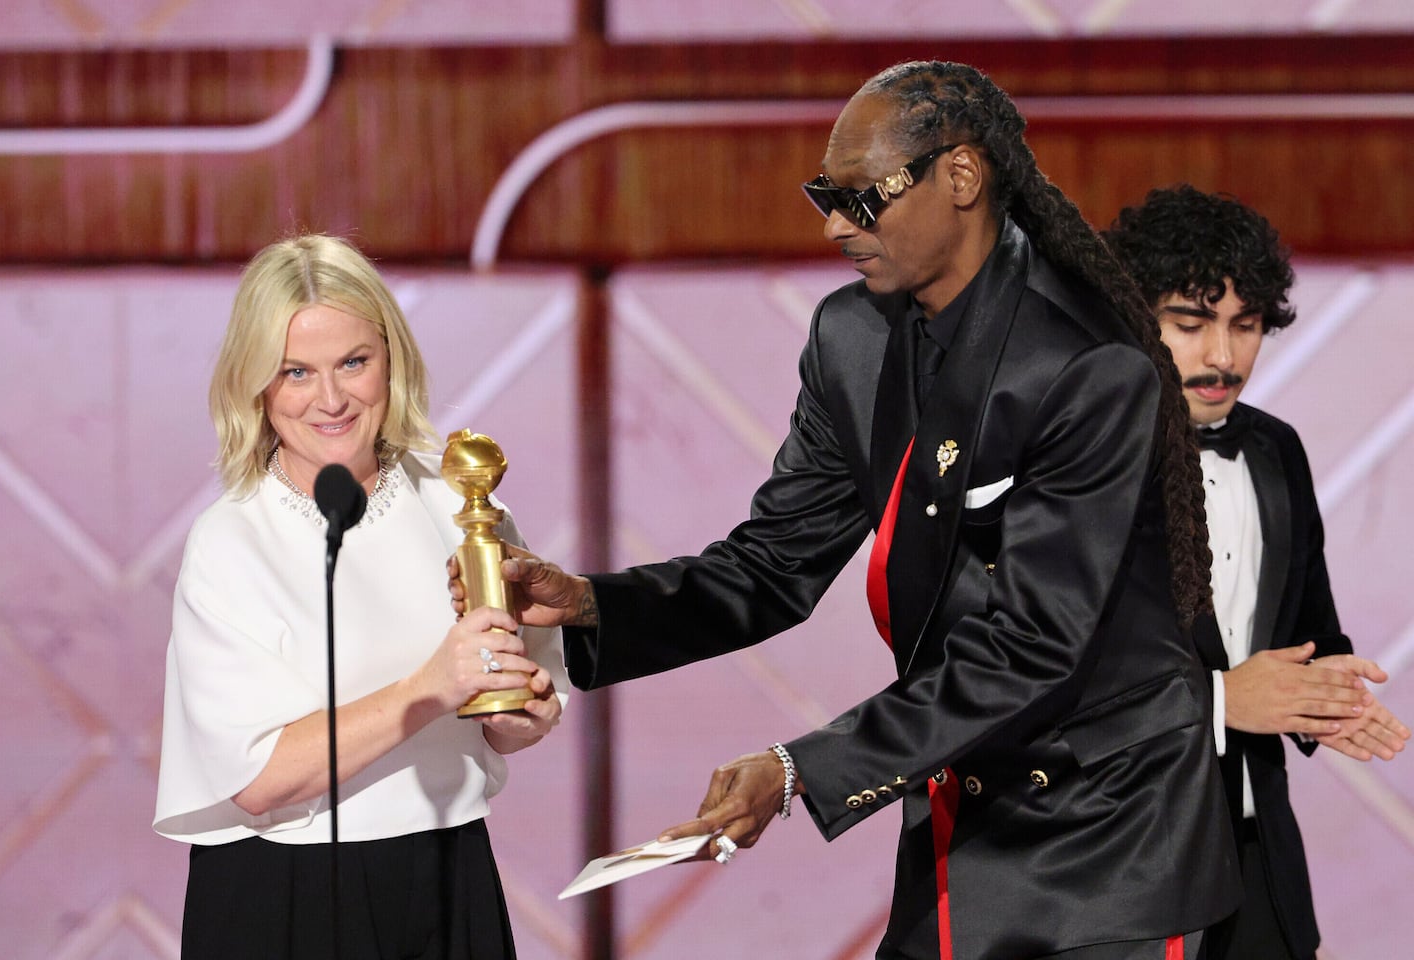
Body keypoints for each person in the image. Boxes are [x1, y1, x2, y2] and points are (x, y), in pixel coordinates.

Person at [454, 61, 1240, 959]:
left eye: (863, 198)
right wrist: (591, 605)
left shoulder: (1085, 365)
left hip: (1109, 840)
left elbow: (1033, 648)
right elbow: (773, 564)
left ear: (962, 177)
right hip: (957, 801)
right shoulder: (852, 338)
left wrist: (797, 771)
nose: (835, 224)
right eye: (826, 195)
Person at [153, 234, 568, 959]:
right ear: (256, 384)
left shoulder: (461, 505)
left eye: (354, 362)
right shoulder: (230, 542)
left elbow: (504, 716)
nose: (333, 398)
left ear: (391, 358)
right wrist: (434, 686)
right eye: (296, 373)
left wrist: (524, 714)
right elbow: (255, 779)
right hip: (284, 892)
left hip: (449, 870)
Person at [1104, 185, 1410, 960]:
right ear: (1132, 317)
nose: (1223, 356)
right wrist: (1218, 700)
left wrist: (1327, 690)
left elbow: (1307, 622)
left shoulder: (1278, 451)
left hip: (1257, 860)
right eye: (1192, 324)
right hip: (1111, 867)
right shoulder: (1081, 463)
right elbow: (1043, 675)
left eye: (1245, 326)